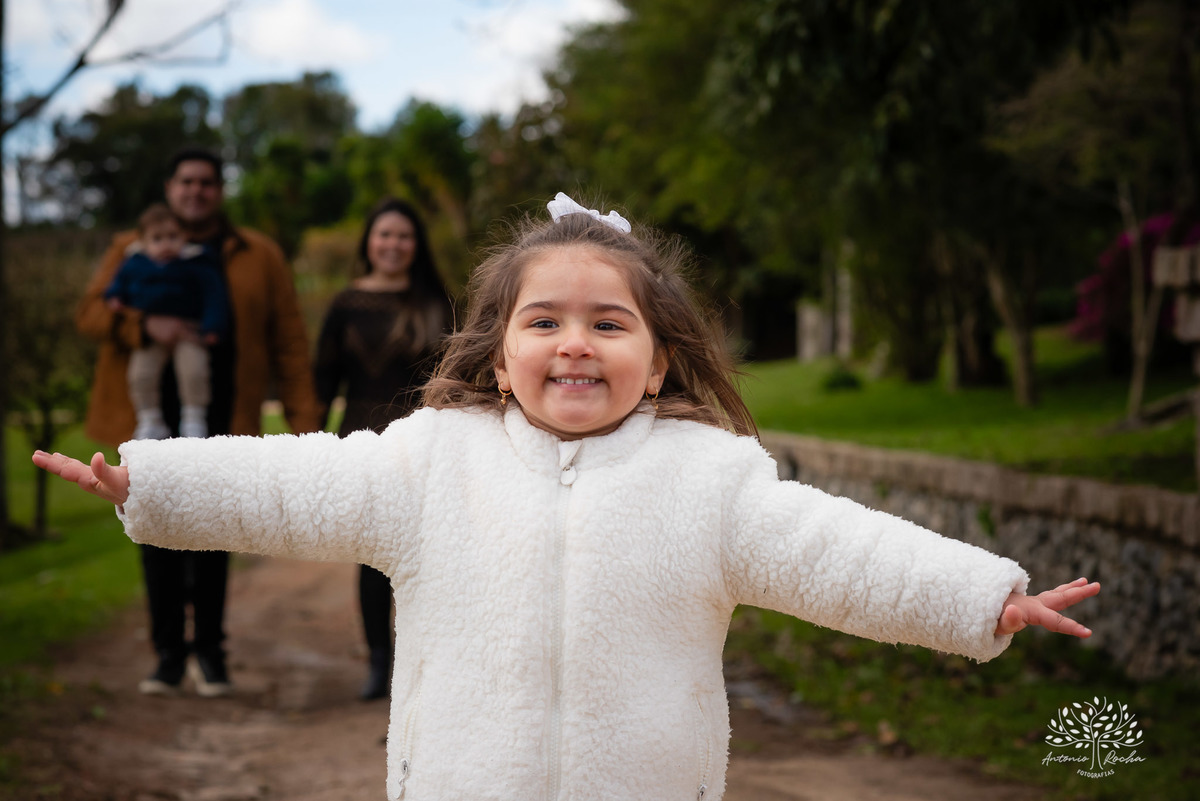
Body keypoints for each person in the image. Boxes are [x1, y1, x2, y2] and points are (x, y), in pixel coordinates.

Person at [39, 192, 1100, 801]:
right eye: (544, 321)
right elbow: (295, 479)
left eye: (609, 322)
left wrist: (979, 597)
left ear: (661, 359)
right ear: (500, 359)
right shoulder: (429, 461)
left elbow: (838, 553)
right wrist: (158, 478)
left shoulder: (712, 479)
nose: (575, 342)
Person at [75, 146, 323, 697]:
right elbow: (91, 312)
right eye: (185, 181)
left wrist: (307, 426)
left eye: (206, 182)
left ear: (220, 190)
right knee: (149, 526)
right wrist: (147, 326)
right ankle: (167, 656)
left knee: (215, 533)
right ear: (170, 187)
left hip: (222, 414)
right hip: (146, 422)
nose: (195, 191)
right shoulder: (128, 248)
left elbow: (288, 340)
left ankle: (210, 654)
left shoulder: (257, 254)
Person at [313, 198, 453, 700]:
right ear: (368, 241)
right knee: (373, 556)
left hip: (427, 442)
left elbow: (458, 378)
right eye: (384, 234)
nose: (393, 245)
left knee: (432, 554)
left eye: (403, 236)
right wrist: (310, 440)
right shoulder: (345, 304)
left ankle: (431, 664)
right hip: (364, 443)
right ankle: (379, 662)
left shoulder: (438, 303)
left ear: (416, 246)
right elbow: (322, 379)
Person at [104, 203, 230, 440]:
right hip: (149, 335)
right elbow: (118, 282)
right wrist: (115, 297)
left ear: (184, 237)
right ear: (143, 241)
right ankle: (150, 419)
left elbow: (215, 297)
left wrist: (213, 327)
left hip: (190, 332)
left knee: (194, 372)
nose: (166, 245)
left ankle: (194, 419)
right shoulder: (135, 263)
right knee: (140, 375)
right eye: (157, 239)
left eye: (173, 237)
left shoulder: (197, 263)